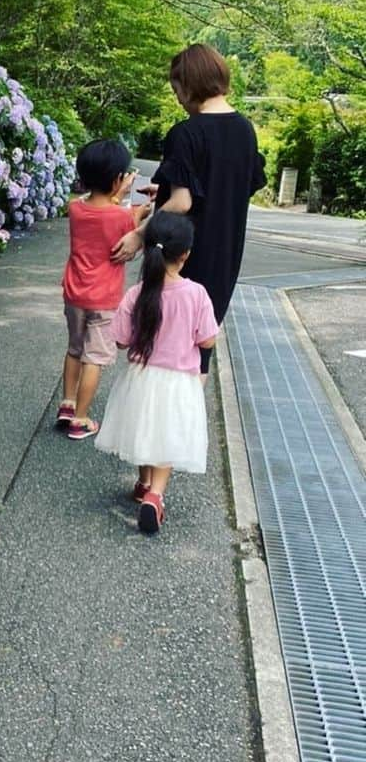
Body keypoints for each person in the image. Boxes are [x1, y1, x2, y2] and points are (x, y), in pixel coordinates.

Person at [112, 44, 266, 380]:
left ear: (191, 83)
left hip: (183, 253)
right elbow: (229, 184)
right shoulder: (245, 130)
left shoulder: (186, 132)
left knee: (161, 349)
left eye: (177, 89)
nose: (178, 98)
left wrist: (139, 235)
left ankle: (157, 425)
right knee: (199, 350)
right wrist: (164, 189)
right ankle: (188, 427)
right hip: (226, 253)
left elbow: (183, 204)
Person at [95, 212, 219, 534]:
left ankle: (143, 482)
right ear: (186, 254)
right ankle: (155, 495)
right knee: (168, 437)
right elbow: (207, 338)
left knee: (144, 429)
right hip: (178, 382)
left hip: (141, 377)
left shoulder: (137, 293)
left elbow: (121, 340)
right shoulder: (196, 294)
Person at [56, 139, 146, 440]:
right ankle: (81, 420)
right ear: (117, 179)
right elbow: (128, 236)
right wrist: (137, 208)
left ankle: (67, 404)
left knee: (74, 348)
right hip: (104, 299)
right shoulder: (121, 216)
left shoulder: (75, 208)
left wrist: (120, 195)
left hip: (75, 294)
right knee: (94, 357)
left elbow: (102, 212)